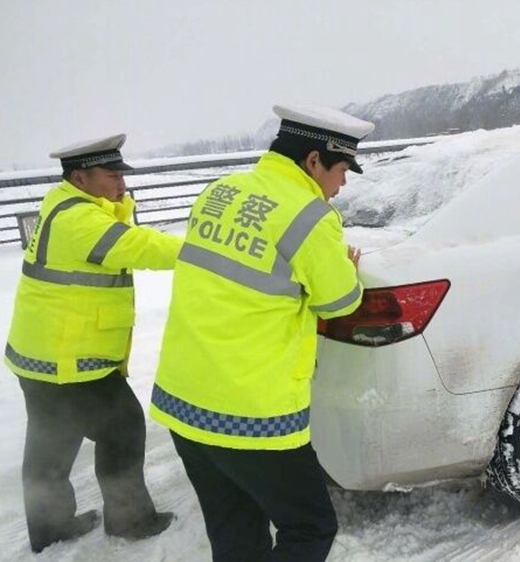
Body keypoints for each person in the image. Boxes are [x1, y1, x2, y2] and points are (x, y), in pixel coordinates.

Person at [150, 104, 374, 562]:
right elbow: (339, 302)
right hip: (252, 416)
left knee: (234, 529)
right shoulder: (311, 218)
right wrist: (346, 271)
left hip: (183, 400)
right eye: (342, 169)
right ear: (313, 161)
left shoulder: (222, 190)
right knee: (311, 526)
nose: (344, 183)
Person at [4, 134, 181, 553]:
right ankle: (131, 520)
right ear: (80, 177)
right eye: (111, 174)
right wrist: (214, 248)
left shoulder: (67, 206)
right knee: (122, 429)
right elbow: (141, 247)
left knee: (51, 443)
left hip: (43, 354)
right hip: (70, 358)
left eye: (122, 174)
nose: (121, 182)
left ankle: (50, 527)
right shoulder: (78, 220)